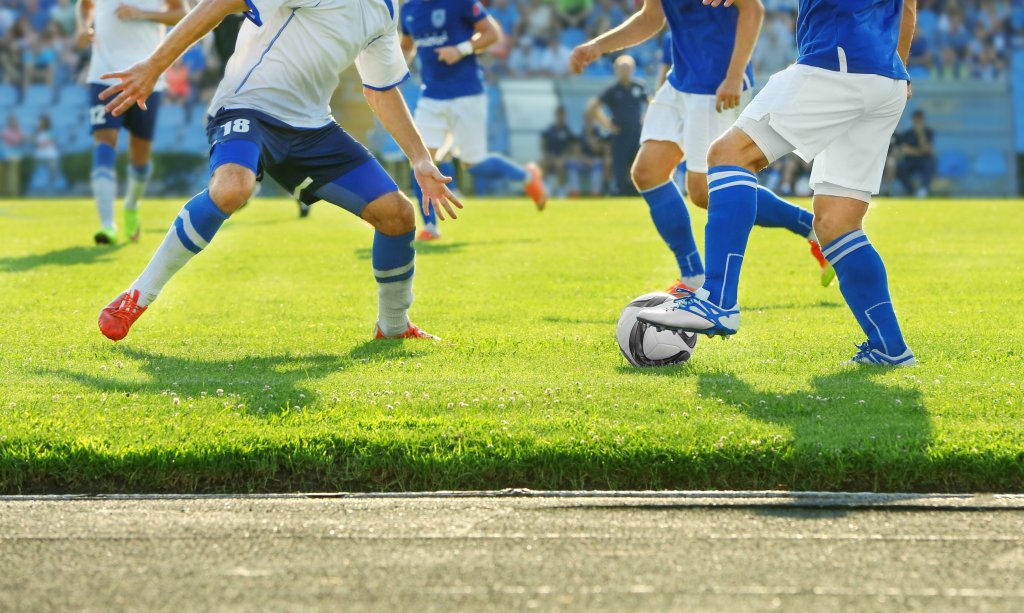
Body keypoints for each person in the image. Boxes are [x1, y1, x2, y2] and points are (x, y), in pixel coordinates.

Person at [96, 0, 462, 343]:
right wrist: (155, 64)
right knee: (231, 189)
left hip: (313, 128)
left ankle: (394, 327)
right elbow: (222, 3)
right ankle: (138, 295)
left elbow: (381, 91)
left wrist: (419, 158)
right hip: (247, 107)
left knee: (398, 215)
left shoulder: (384, 9)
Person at [639, 0, 918, 368]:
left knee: (729, 155)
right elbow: (908, 7)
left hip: (835, 62)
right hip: (887, 79)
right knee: (837, 223)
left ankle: (718, 299)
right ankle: (890, 347)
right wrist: (896, 65)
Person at [570, 0, 831, 294]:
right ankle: (693, 277)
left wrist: (734, 76)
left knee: (704, 192)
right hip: (679, 82)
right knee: (647, 173)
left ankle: (812, 228)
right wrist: (596, 46)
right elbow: (651, 17)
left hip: (716, 86)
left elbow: (752, 9)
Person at [400, 0, 547, 242]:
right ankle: (430, 227)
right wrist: (393, 70)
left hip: (467, 94)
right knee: (421, 160)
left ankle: (527, 177)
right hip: (431, 97)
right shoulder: (409, 9)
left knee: (474, 164)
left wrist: (461, 49)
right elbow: (406, 47)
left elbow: (492, 33)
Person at [77, 0, 187, 245]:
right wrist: (84, 27)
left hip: (147, 78)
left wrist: (141, 13)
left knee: (140, 158)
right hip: (103, 76)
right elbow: (85, 5)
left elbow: (182, 14)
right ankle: (107, 225)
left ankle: (132, 204)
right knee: (104, 143)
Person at [586, 55, 645, 196]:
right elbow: (593, 107)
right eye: (621, 68)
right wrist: (607, 124)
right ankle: (622, 193)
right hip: (620, 135)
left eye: (627, 68)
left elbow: (651, 102)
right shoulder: (612, 90)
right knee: (619, 167)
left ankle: (638, 193)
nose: (624, 72)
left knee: (639, 167)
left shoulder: (639, 86)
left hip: (637, 134)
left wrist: (646, 120)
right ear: (616, 70)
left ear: (633, 69)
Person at [896, 110, 936, 197]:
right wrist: (920, 151)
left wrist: (920, 134)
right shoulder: (907, 134)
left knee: (930, 165)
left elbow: (928, 150)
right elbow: (905, 151)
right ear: (912, 120)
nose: (918, 122)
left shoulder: (928, 132)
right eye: (916, 120)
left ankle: (923, 190)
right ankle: (912, 192)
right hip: (911, 161)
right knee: (900, 168)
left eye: (919, 120)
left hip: (924, 160)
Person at [541, 106, 578, 197]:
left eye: (562, 114)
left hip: (562, 158)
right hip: (550, 157)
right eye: (558, 114)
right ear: (555, 115)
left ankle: (561, 190)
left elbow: (572, 148)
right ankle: (545, 189)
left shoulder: (568, 131)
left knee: (561, 164)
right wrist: (549, 156)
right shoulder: (549, 130)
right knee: (543, 163)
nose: (560, 116)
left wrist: (565, 156)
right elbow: (543, 146)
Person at [1, 113, 25, 197]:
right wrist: (19, 140)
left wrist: (19, 139)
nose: (13, 123)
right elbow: (14, 141)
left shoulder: (19, 131)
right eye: (11, 122)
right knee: (2, 175)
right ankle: (3, 192)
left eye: (14, 122)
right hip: (5, 154)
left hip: (15, 155)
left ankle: (13, 193)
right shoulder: (5, 131)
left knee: (13, 175)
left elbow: (20, 141)